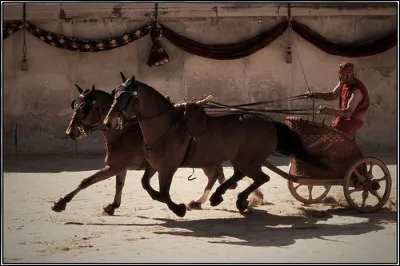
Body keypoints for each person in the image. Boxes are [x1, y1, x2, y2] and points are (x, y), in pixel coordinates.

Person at [307, 62, 370, 138]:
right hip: (344, 117)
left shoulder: (357, 91)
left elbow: (348, 113)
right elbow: (332, 95)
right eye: (340, 73)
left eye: (343, 74)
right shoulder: (343, 82)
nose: (340, 76)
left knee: (334, 134)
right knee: (329, 132)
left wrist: (328, 111)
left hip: (353, 120)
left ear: (350, 75)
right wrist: (314, 95)